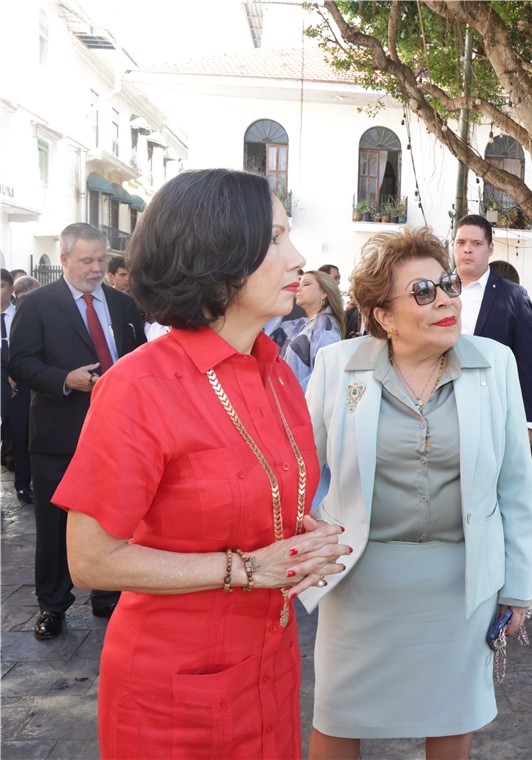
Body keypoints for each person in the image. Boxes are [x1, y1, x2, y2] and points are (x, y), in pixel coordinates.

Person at [50, 169, 349, 759]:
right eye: (275, 238)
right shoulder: (139, 385)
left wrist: (302, 538)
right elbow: (89, 559)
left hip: (270, 669)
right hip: (172, 693)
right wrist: (249, 568)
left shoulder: (275, 372)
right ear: (219, 257)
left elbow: (263, 496)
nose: (298, 258)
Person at [303, 227, 532, 760]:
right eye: (423, 292)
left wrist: (517, 589)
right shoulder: (338, 367)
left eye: (448, 285)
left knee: (453, 719)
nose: (446, 300)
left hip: (460, 586)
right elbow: (299, 469)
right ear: (384, 316)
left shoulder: (494, 363)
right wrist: (306, 533)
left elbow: (515, 486)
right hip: (359, 583)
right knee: (337, 718)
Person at [9, 223, 148, 640]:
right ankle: (53, 605)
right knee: (54, 525)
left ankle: (108, 595)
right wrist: (65, 380)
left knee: (114, 518)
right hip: (58, 434)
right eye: (87, 260)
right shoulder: (37, 305)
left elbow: (140, 358)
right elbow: (21, 363)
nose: (96, 268)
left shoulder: (124, 304)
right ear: (65, 259)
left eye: (101, 259)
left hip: (117, 435)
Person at [454, 214, 532, 441]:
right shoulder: (435, 291)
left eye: (476, 243)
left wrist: (527, 423)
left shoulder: (514, 296)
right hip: (439, 408)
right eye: (461, 242)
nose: (467, 249)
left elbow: (527, 363)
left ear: (490, 248)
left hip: (490, 412)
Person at [273, 269, 344, 388]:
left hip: (301, 397)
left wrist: (294, 395)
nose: (298, 288)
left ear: (324, 292)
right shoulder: (300, 324)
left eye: (306, 284)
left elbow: (326, 374)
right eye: (298, 284)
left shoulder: (325, 324)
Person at [1, 269, 32, 502]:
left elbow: (28, 349)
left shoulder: (22, 314)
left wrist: (15, 375)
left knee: (20, 434)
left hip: (19, 384)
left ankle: (23, 484)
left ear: (12, 288)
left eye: (1, 285)